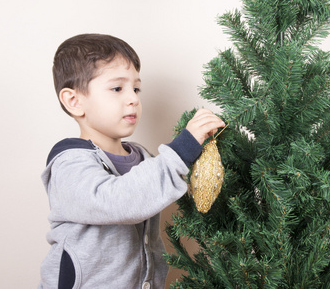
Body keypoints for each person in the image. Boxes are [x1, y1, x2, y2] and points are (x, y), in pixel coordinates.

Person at [38, 33, 225, 289]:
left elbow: (154, 189)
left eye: (136, 88)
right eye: (117, 88)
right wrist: (183, 148)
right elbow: (118, 201)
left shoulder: (142, 156)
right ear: (74, 101)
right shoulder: (69, 163)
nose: (133, 98)